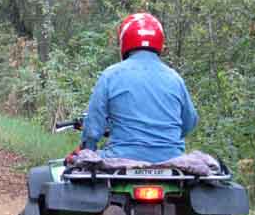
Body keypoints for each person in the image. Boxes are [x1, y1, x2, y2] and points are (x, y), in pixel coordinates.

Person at [69, 13, 198, 164]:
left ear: (124, 41)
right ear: (159, 43)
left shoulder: (111, 75)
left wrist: (87, 150)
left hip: (120, 158)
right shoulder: (175, 78)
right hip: (171, 160)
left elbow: (93, 126)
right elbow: (190, 122)